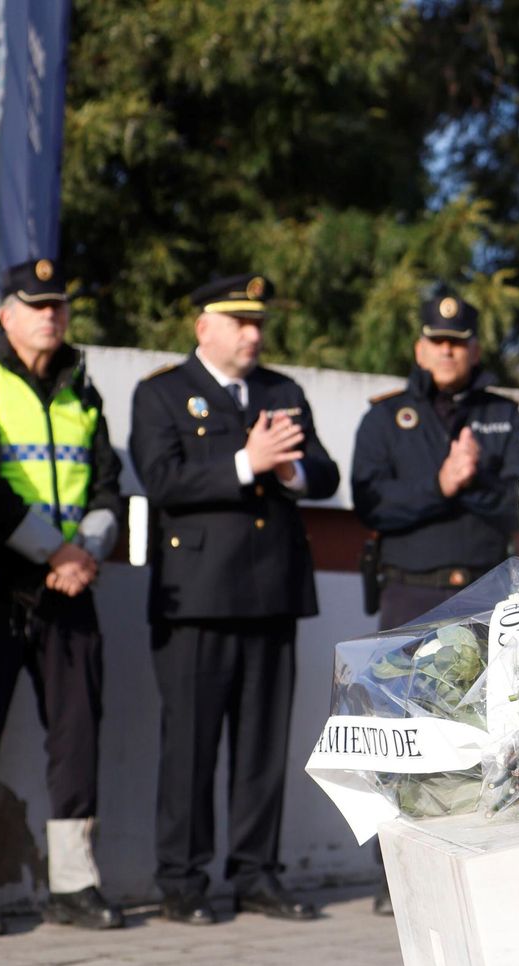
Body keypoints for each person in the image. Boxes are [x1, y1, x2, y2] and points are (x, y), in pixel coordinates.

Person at [130, 273, 340, 925]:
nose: (254, 334)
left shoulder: (283, 391)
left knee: (262, 748)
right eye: (240, 322)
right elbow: (161, 478)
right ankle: (182, 881)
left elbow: (325, 473)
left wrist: (289, 470)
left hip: (272, 593)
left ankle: (255, 873)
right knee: (190, 746)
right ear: (204, 329)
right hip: (197, 599)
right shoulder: (162, 393)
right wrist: (247, 462)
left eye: (259, 324)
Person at [0, 258, 124, 935]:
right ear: (5, 315)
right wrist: (56, 550)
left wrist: (85, 553)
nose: (51, 315)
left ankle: (74, 883)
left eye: (59, 305)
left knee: (77, 735)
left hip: (70, 589)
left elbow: (107, 485)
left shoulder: (82, 390)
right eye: (36, 304)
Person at [352, 290, 519, 631]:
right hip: (409, 596)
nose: (447, 350)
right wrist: (441, 485)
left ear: (475, 351)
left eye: (457, 342)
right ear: (419, 350)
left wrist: (474, 481)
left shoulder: (505, 416)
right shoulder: (384, 415)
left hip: (486, 597)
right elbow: (370, 505)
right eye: (437, 341)